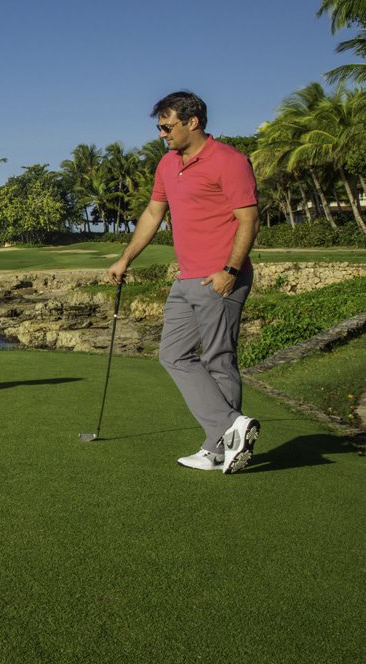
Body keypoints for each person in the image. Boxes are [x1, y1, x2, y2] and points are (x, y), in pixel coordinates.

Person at [107, 92, 261, 473]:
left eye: (167, 126)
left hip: (220, 277)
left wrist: (229, 270)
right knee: (172, 354)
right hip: (186, 276)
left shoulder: (229, 160)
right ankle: (230, 428)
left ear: (193, 122)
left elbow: (248, 220)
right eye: (159, 127)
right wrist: (126, 258)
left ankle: (218, 446)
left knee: (219, 360)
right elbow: (152, 213)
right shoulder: (167, 164)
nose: (162, 134)